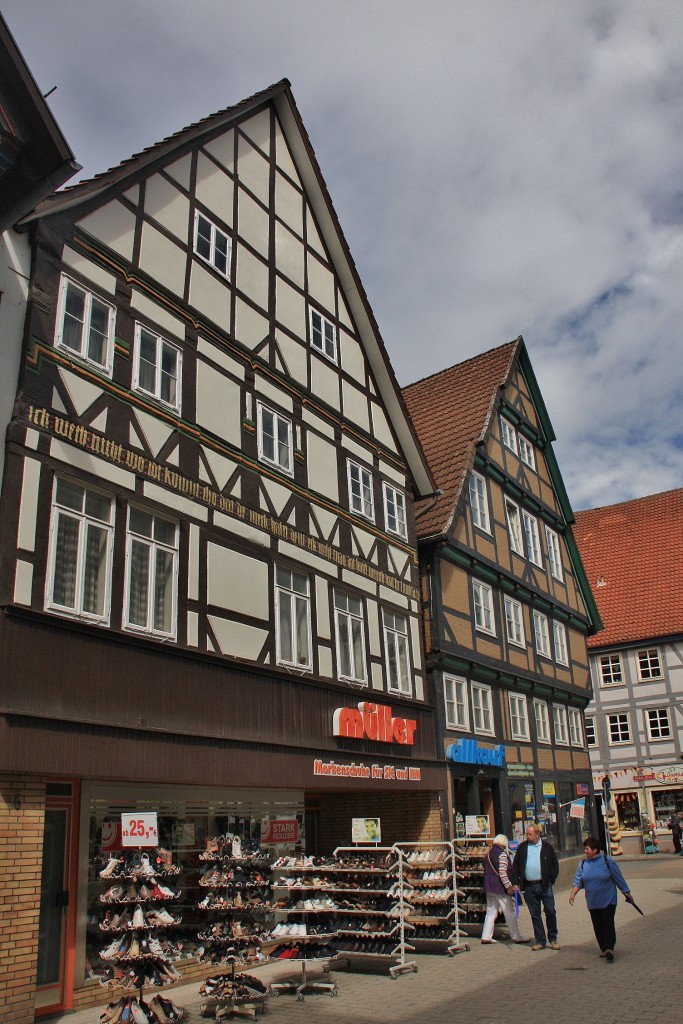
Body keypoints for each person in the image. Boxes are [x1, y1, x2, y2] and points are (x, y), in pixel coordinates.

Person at [568, 836, 632, 962]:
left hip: (608, 899)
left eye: (587, 849)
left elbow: (618, 878)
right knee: (598, 926)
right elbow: (578, 881)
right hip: (593, 901)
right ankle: (604, 948)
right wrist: (573, 894)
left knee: (607, 923)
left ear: (595, 850)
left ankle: (609, 948)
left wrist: (626, 893)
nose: (585, 851)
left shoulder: (607, 861)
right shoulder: (582, 864)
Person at [509, 823, 560, 951]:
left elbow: (555, 865)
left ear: (537, 834)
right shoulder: (522, 848)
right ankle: (540, 940)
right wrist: (515, 882)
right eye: (527, 834)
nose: (528, 836)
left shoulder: (547, 847)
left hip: (544, 885)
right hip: (529, 886)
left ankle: (553, 938)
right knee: (535, 914)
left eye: (530, 834)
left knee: (550, 911)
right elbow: (515, 866)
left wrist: (550, 879)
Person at [481, 835, 531, 945]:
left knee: (490, 912)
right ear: (503, 843)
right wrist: (508, 886)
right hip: (500, 888)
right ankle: (516, 936)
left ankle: (486, 936)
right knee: (509, 912)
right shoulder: (502, 854)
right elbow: (503, 872)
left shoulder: (488, 854)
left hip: (489, 887)